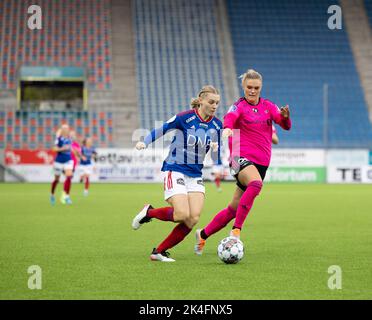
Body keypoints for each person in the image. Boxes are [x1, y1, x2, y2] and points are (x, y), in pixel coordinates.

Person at [194, 69, 291, 255]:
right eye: (249, 87)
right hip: (239, 157)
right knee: (256, 184)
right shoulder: (238, 106)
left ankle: (203, 235)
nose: (252, 91)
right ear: (243, 87)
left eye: (256, 88)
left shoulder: (269, 106)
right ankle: (236, 231)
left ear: (260, 88)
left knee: (233, 208)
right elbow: (229, 118)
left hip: (261, 163)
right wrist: (228, 129)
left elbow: (285, 126)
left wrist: (286, 118)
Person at [132, 85, 222, 262]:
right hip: (175, 169)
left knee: (193, 218)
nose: (214, 106)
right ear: (201, 101)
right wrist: (146, 141)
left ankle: (158, 252)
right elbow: (163, 128)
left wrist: (215, 151)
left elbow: (214, 153)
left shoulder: (217, 125)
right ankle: (148, 213)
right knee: (181, 214)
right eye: (211, 102)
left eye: (217, 103)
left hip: (195, 175)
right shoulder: (185, 117)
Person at [50, 124, 74, 205]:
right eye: (64, 128)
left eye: (67, 128)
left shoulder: (70, 138)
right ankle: (52, 194)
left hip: (68, 160)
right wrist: (62, 149)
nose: (66, 130)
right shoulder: (58, 139)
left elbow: (71, 145)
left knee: (69, 176)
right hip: (59, 161)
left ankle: (67, 196)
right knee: (57, 180)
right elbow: (54, 149)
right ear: (62, 130)